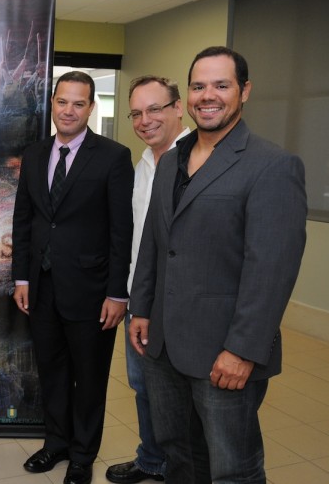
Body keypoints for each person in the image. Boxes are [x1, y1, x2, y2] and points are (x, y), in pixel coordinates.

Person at [129, 46, 308, 483]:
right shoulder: (171, 159)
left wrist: (243, 350)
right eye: (198, 85)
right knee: (181, 457)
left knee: (233, 467)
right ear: (187, 95)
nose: (208, 95)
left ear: (244, 91)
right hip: (163, 345)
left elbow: (271, 270)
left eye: (221, 85)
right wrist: (142, 307)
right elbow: (155, 243)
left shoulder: (272, 166)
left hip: (222, 353)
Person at [12, 71, 134, 484]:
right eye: (62, 101)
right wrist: (22, 280)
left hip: (92, 291)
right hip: (41, 287)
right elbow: (24, 220)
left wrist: (118, 292)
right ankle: (56, 444)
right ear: (52, 104)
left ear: (90, 107)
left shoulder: (114, 157)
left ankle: (83, 455)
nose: (69, 110)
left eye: (78, 103)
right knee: (52, 371)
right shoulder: (33, 154)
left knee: (90, 377)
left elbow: (122, 230)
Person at [105, 76, 190, 484]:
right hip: (141, 298)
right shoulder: (142, 163)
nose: (145, 120)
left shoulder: (198, 161)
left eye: (155, 109)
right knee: (143, 386)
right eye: (136, 113)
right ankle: (152, 460)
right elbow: (134, 236)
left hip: (180, 303)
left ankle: (182, 469)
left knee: (183, 397)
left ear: (178, 107)